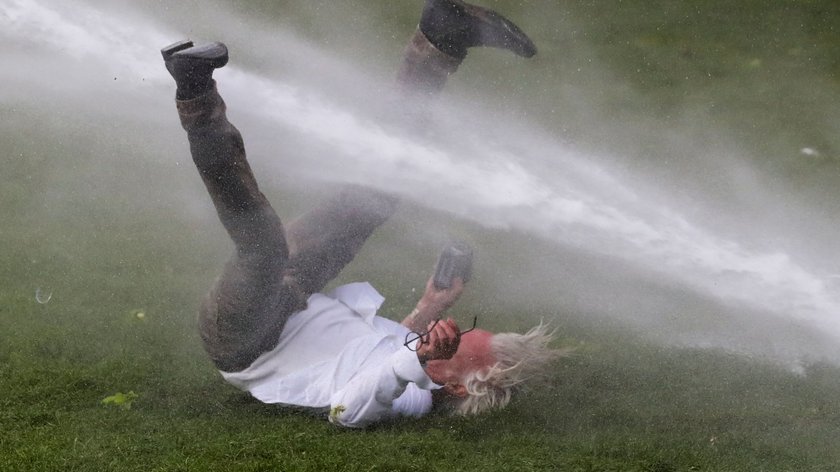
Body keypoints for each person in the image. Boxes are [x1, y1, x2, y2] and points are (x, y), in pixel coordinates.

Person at [162, 0, 563, 428]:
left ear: (461, 384)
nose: (454, 328)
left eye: (463, 339)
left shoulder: (412, 398)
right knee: (376, 196)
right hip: (296, 293)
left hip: (246, 339)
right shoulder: (415, 357)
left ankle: (194, 89)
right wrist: (432, 303)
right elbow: (376, 352)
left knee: (262, 247)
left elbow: (345, 409)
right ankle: (441, 39)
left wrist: (419, 357)